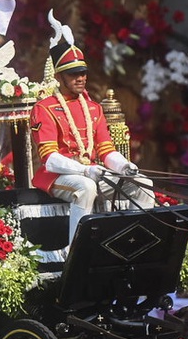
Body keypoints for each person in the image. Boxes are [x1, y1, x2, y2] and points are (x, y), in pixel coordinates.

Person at [29, 19, 154, 244]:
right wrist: (85, 171)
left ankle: (139, 243)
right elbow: (49, 159)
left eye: (83, 72)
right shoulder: (44, 108)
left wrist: (125, 166)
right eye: (73, 74)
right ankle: (77, 250)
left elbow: (106, 150)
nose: (81, 78)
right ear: (59, 77)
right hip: (58, 176)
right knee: (85, 188)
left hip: (93, 171)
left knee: (143, 184)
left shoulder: (94, 108)